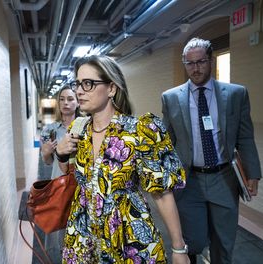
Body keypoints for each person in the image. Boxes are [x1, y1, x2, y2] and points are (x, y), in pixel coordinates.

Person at [55, 55, 190, 263]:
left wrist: (179, 249)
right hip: (83, 231)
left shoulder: (139, 131)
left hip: (127, 234)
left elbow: (162, 194)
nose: (79, 91)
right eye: (78, 84)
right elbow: (68, 172)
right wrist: (61, 153)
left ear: (111, 88)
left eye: (88, 84)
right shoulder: (78, 128)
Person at [161, 37, 262, 264]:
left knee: (224, 242)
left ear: (211, 60)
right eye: (190, 63)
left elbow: (245, 136)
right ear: (184, 64)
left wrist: (253, 172)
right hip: (190, 180)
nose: (195, 69)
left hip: (224, 178)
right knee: (193, 241)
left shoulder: (236, 94)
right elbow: (167, 141)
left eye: (201, 62)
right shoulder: (171, 97)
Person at [39, 85, 80, 263]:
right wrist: (46, 153)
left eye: (70, 99)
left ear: (78, 102)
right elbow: (47, 162)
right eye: (62, 99)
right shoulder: (50, 130)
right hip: (59, 184)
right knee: (61, 229)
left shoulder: (87, 126)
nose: (66, 103)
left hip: (82, 184)